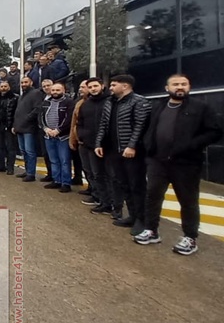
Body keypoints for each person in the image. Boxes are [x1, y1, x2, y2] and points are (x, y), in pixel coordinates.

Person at [134, 74, 223, 255]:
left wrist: (191, 145)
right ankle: (151, 230)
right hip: (157, 162)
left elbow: (214, 132)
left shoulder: (200, 108)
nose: (180, 87)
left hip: (186, 164)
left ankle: (190, 237)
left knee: (188, 201)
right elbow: (149, 129)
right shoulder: (158, 107)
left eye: (184, 84)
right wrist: (149, 147)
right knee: (152, 196)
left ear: (189, 87)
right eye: (175, 84)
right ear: (167, 88)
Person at [94, 75, 151, 235]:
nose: (110, 88)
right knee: (124, 184)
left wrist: (132, 146)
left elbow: (140, 125)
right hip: (113, 150)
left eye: (114, 85)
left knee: (137, 186)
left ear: (125, 86)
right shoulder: (110, 102)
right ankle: (132, 216)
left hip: (132, 152)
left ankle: (142, 220)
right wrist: (99, 143)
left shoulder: (139, 102)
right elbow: (103, 125)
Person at [72, 78, 114, 215]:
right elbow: (80, 122)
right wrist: (81, 136)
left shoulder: (110, 102)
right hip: (87, 144)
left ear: (102, 86)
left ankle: (110, 203)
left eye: (95, 86)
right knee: (94, 173)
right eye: (90, 87)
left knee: (105, 175)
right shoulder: (86, 104)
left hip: (105, 145)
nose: (93, 89)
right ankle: (100, 199)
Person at [38, 82, 75, 192]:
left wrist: (58, 130)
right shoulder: (46, 102)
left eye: (58, 90)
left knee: (64, 161)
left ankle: (66, 183)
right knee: (53, 160)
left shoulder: (69, 102)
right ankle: (56, 180)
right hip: (48, 136)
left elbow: (69, 119)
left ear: (63, 90)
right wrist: (46, 129)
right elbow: (40, 117)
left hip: (63, 137)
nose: (55, 92)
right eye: (53, 90)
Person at [12, 76, 40, 182]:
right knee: (23, 151)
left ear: (31, 82)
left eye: (26, 82)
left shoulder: (36, 93)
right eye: (22, 82)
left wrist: (27, 118)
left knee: (30, 151)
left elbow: (37, 109)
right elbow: (17, 112)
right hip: (19, 128)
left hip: (29, 128)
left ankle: (31, 174)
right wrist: (15, 125)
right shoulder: (21, 96)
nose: (23, 84)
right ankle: (27, 171)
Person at [0, 80, 18, 174]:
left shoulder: (14, 98)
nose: (3, 88)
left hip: (9, 126)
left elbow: (16, 113)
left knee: (10, 148)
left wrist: (14, 125)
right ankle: (1, 166)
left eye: (5, 86)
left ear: (9, 87)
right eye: (2, 86)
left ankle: (10, 167)